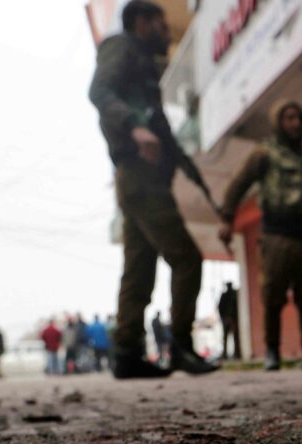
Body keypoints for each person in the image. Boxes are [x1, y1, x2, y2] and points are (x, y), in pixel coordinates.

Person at [88, 0, 218, 378]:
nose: (167, 33)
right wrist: (134, 126)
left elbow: (162, 130)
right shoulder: (122, 46)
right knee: (187, 257)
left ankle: (127, 353)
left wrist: (189, 170)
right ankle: (180, 345)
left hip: (140, 176)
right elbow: (99, 91)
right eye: (162, 24)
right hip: (139, 172)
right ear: (142, 22)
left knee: (138, 268)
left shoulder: (144, 65)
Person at [219, 99, 302, 371]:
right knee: (273, 295)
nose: (295, 124)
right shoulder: (264, 154)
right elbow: (237, 185)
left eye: (299, 118)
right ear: (277, 122)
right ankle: (272, 351)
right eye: (289, 118)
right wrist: (227, 219)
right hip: (277, 234)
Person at [217, 282, 240, 360]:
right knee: (225, 338)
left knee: (236, 337)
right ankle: (224, 354)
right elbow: (220, 307)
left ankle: (237, 353)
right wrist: (224, 317)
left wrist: (235, 318)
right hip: (226, 319)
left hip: (233, 319)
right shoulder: (224, 296)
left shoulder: (235, 295)